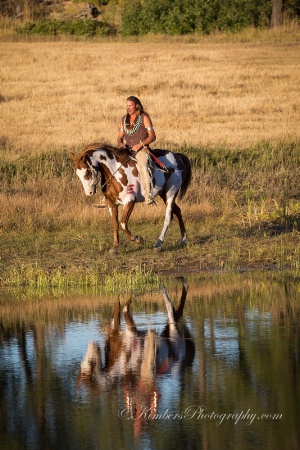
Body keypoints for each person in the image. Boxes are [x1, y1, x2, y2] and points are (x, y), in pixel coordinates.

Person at [117, 96, 156, 205]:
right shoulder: (124, 120)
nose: (128, 107)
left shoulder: (144, 118)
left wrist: (140, 145)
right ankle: (110, 195)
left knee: (143, 165)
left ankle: (148, 194)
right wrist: (121, 143)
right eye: (127, 105)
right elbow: (119, 137)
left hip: (141, 150)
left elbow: (152, 136)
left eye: (130, 105)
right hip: (127, 150)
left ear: (137, 106)